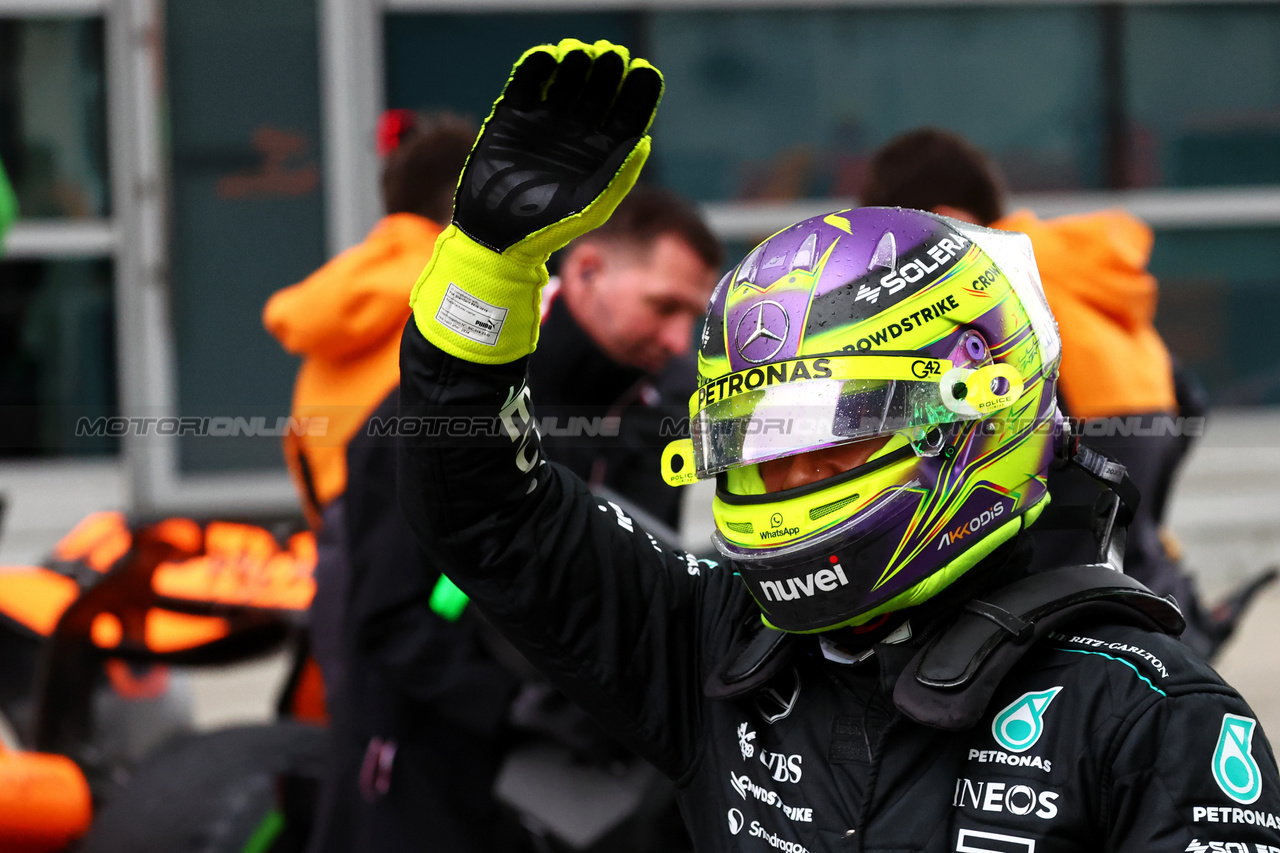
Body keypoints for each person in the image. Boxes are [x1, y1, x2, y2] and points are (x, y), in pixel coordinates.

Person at [396, 38, 1280, 852]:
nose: (794, 476)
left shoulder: (1153, 718)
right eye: (762, 444)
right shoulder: (717, 645)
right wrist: (486, 266)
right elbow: (486, 513)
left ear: (974, 420)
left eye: (837, 437)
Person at [860, 127, 1275, 659]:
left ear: (950, 218)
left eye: (899, 243)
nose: (892, 270)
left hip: (1063, 506)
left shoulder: (988, 285)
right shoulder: (1072, 265)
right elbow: (1188, 399)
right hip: (1132, 484)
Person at [533, 183, 721, 527]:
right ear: (586, 271)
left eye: (692, 318)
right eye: (665, 307)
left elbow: (647, 562)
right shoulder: (485, 363)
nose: (679, 342)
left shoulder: (675, 395)